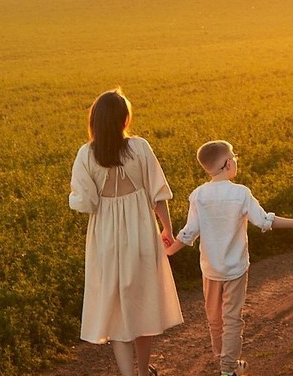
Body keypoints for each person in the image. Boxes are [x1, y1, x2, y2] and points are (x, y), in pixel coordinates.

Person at [166, 139, 293, 376]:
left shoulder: (198, 195)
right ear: (228, 163)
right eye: (235, 156)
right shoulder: (241, 193)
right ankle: (228, 367)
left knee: (215, 319)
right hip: (236, 269)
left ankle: (226, 362)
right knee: (232, 319)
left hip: (210, 269)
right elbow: (264, 221)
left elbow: (189, 232)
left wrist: (167, 253)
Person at [69, 88, 183, 376]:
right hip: (141, 231)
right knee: (142, 304)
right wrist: (167, 228)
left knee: (118, 309)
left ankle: (128, 374)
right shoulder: (140, 148)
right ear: (124, 120)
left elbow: (85, 203)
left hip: (106, 236)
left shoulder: (86, 154)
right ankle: (143, 372)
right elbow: (158, 195)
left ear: (95, 121)